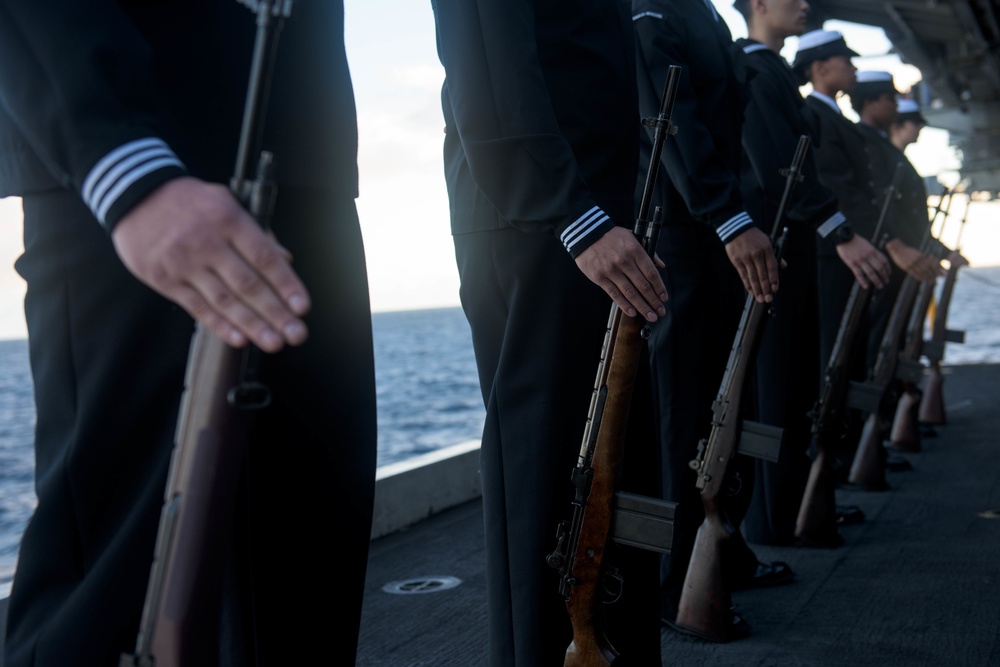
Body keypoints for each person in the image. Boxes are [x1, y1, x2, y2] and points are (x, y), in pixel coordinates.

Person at [0, 3, 377, 665]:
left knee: (308, 584)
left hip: (307, 155)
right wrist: (119, 162)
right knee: (111, 599)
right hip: (142, 166)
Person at [430, 0, 669, 663]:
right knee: (546, 480)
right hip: (542, 224)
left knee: (612, 466)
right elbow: (490, 63)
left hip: (593, 212)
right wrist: (570, 213)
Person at [632, 0, 794, 640]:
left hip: (717, 227)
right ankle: (675, 584)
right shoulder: (650, 8)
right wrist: (726, 215)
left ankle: (726, 551)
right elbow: (669, 119)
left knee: (722, 406)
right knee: (682, 408)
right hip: (684, 229)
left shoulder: (697, 11)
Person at [729, 0, 890, 548]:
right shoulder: (751, 64)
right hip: (773, 248)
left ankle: (792, 507)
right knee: (774, 389)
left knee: (794, 385)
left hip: (791, 247)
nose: (803, 4)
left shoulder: (766, 68)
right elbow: (776, 165)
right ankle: (772, 519)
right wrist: (838, 230)